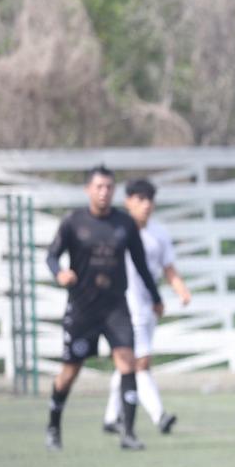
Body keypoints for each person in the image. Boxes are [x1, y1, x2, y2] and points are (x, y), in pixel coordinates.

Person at [44, 166, 164, 451]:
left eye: (109, 187)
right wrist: (59, 273)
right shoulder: (74, 222)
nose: (104, 192)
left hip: (115, 308)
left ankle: (129, 433)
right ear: (88, 189)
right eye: (98, 187)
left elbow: (141, 264)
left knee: (127, 364)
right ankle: (53, 425)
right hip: (83, 307)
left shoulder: (124, 224)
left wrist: (156, 297)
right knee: (69, 373)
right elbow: (51, 256)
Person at [101, 179, 191, 437]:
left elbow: (168, 268)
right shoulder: (116, 230)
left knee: (127, 364)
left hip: (148, 308)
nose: (146, 205)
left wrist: (180, 290)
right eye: (140, 199)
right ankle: (159, 415)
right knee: (140, 363)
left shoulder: (159, 234)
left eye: (150, 200)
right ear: (128, 201)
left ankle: (111, 417)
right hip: (122, 307)